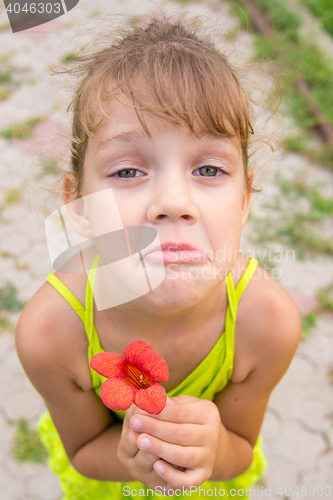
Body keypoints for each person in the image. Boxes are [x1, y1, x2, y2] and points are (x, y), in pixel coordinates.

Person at [15, 14, 302, 500]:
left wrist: (215, 452)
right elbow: (84, 451)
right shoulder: (49, 334)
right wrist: (130, 460)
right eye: (127, 171)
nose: (174, 202)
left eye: (208, 168)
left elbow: (241, 451)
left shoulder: (267, 324)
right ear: (78, 207)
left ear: (246, 200)